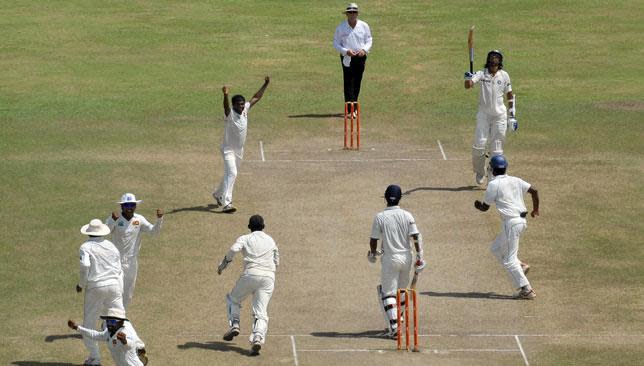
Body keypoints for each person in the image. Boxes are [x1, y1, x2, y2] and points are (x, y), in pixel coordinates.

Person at [474, 155, 540, 299]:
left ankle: (527, 290)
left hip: (511, 224)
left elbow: (485, 208)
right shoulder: (515, 180)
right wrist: (535, 210)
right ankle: (520, 266)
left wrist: (478, 205)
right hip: (520, 222)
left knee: (509, 260)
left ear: (491, 168)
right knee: (496, 248)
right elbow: (534, 191)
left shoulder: (493, 185)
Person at [368, 185, 425, 338]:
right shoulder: (407, 215)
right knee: (400, 292)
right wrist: (420, 256)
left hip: (390, 259)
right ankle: (398, 321)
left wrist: (373, 253)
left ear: (385, 198)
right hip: (407, 257)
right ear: (400, 198)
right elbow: (415, 237)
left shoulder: (380, 217)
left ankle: (394, 327)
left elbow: (374, 239)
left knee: (388, 294)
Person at [217, 215, 279, 356]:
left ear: (249, 227)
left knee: (233, 299)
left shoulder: (245, 238)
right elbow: (277, 260)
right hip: (268, 278)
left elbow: (233, 250)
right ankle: (257, 337)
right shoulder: (270, 240)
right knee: (261, 312)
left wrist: (223, 265)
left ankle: (235, 324)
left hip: (250, 274)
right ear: (263, 226)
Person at [213, 77, 270, 213]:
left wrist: (265, 84)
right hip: (228, 150)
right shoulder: (230, 114)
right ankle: (227, 203)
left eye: (242, 104)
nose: (241, 106)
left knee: (230, 174)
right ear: (233, 105)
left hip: (239, 151)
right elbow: (226, 107)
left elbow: (256, 97)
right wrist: (225, 95)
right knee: (232, 173)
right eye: (238, 104)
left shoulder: (245, 110)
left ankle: (217, 194)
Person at [76, 219, 125, 366]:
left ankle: (95, 358)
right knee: (121, 322)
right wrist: (119, 291)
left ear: (89, 232)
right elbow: (119, 269)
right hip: (115, 286)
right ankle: (132, 352)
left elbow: (85, 266)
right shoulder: (111, 245)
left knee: (88, 324)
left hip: (96, 287)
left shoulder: (85, 246)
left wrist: (81, 284)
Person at [464, 50, 515, 185]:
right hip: (484, 115)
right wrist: (468, 78)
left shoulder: (504, 76)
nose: (493, 59)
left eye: (496, 57)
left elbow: (509, 95)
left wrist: (512, 116)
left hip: (500, 115)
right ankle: (480, 171)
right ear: (488, 60)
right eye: (491, 57)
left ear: (500, 61)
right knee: (479, 146)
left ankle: (492, 174)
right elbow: (468, 86)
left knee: (497, 148)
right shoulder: (481, 74)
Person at [106, 193, 164, 309]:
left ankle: (120, 320)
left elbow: (154, 232)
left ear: (135, 206)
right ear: (122, 206)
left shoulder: (139, 219)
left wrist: (159, 219)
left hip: (132, 262)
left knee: (127, 294)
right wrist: (112, 220)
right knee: (115, 292)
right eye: (126, 205)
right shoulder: (116, 218)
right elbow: (105, 231)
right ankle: (108, 320)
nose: (129, 208)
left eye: (132, 205)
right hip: (116, 262)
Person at [68, 308, 148, 366]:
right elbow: (95, 335)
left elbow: (131, 344)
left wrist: (125, 341)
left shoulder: (125, 332)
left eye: (112, 321)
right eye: (108, 320)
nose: (109, 324)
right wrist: (77, 328)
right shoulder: (109, 332)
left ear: (121, 322)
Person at [333, 3, 372, 105]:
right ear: (347, 14)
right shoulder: (341, 27)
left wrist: (364, 50)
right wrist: (346, 51)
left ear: (357, 14)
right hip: (347, 57)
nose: (352, 14)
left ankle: (354, 104)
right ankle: (349, 107)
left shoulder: (364, 26)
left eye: (354, 12)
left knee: (357, 80)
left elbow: (369, 39)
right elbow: (336, 43)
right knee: (348, 80)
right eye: (350, 12)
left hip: (360, 57)